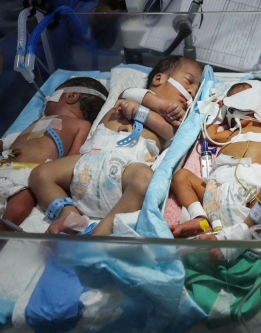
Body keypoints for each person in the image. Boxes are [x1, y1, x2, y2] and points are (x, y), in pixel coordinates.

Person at [0, 77, 108, 284]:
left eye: (51, 95)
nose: (46, 100)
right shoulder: (38, 120)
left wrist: (58, 174)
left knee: (21, 205)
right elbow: (15, 139)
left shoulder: (80, 124)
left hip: (26, 174)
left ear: (71, 96)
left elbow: (72, 158)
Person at [30, 56, 203, 237]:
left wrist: (141, 112)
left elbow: (168, 132)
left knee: (146, 179)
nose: (191, 91)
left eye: (196, 89)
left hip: (126, 172)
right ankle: (69, 215)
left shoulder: (167, 122)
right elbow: (138, 96)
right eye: (188, 82)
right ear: (158, 79)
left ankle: (104, 229)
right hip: (90, 160)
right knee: (40, 175)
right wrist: (161, 105)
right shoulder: (131, 94)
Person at [168, 79, 261, 250]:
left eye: (236, 100)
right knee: (181, 177)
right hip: (213, 193)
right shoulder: (231, 134)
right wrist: (216, 112)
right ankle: (200, 218)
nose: (230, 107)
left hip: (252, 198)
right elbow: (208, 136)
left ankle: (243, 231)